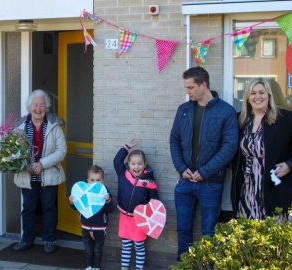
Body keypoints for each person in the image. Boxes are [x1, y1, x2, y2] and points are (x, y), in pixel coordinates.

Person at [169, 66, 238, 261]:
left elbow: (229, 147)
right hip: (185, 182)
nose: (187, 92)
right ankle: (184, 266)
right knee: (183, 230)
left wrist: (205, 171)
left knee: (208, 232)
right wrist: (181, 168)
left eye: (190, 87)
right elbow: (174, 140)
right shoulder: (183, 110)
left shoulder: (226, 111)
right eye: (186, 87)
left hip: (211, 182)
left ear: (203, 84)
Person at [12, 89, 67, 254]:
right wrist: (28, 165)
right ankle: (27, 239)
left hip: (48, 174)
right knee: (28, 208)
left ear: (47, 107)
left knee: (49, 207)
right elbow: (13, 151)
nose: (38, 109)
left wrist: (42, 164)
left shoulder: (54, 125)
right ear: (29, 106)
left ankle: (49, 239)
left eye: (42, 105)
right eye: (35, 105)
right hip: (27, 174)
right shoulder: (20, 125)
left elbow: (61, 150)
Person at [231, 78, 292, 220]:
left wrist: (290, 165)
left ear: (269, 96)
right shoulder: (240, 121)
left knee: (272, 233)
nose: (257, 97)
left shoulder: (284, 118)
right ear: (247, 97)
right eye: (253, 93)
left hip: (274, 186)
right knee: (249, 231)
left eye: (261, 92)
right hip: (247, 188)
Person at [114, 138, 159, 270]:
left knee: (139, 246)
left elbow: (154, 200)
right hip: (125, 218)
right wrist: (126, 147)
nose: (136, 167)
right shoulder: (123, 174)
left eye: (139, 164)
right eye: (133, 164)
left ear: (145, 165)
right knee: (126, 245)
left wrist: (155, 207)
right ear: (128, 164)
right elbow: (117, 161)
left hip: (140, 220)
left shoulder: (150, 181)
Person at [69, 165, 115, 270]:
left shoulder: (104, 193)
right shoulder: (83, 192)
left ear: (103, 181)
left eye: (98, 180)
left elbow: (110, 209)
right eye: (92, 180)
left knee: (98, 250)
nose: (95, 182)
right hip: (85, 227)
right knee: (88, 250)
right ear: (88, 181)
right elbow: (77, 207)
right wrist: (72, 202)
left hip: (99, 228)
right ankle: (90, 266)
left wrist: (108, 200)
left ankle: (97, 267)